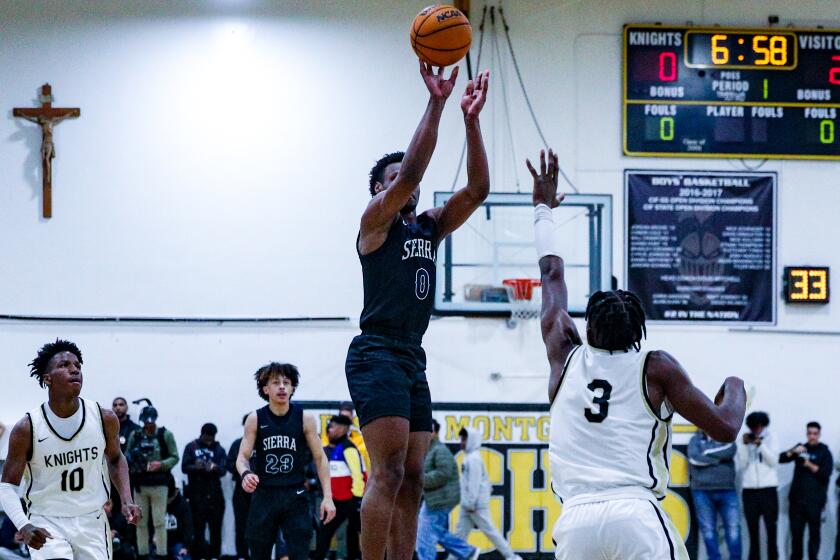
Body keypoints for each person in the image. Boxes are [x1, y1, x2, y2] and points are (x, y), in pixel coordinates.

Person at [528, 150, 747, 560]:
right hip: (636, 515)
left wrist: (543, 208)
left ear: (587, 329)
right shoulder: (655, 366)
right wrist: (735, 386)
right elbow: (725, 427)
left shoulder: (563, 352)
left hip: (574, 522)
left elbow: (551, 274)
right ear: (639, 333)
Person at [345, 61, 490, 560]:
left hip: (412, 356)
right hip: (376, 352)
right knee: (385, 473)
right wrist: (438, 101)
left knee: (412, 480)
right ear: (380, 191)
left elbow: (477, 192)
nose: (404, 185)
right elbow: (411, 172)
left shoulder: (428, 226)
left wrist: (471, 124)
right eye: (391, 180)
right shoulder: (375, 224)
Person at [0, 339, 141, 559]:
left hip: (91, 519)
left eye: (77, 365)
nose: (74, 369)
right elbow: (7, 486)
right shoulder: (27, 428)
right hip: (47, 520)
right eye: (64, 365)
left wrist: (127, 499)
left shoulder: (104, 418)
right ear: (47, 379)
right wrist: (23, 525)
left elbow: (115, 459)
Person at [236, 362, 336, 560]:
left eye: (286, 382)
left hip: (295, 494)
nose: (282, 386)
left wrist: (328, 497)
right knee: (258, 553)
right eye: (275, 382)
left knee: (300, 553)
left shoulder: (304, 418)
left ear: (292, 388)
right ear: (265, 389)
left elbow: (320, 458)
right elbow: (242, 458)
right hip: (264, 494)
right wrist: (246, 474)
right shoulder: (255, 418)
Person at [454, 428, 521, 560]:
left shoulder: (473, 459)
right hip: (468, 504)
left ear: (471, 440)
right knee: (459, 536)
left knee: (491, 532)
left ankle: (512, 557)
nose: (462, 442)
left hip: (475, 505)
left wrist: (471, 503)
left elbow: (474, 483)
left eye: (464, 439)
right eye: (461, 439)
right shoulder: (470, 457)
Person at [416, 420, 477, 560]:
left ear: (436, 432)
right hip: (435, 498)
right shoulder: (429, 449)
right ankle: (467, 551)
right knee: (432, 530)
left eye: (430, 430)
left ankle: (465, 551)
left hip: (441, 498)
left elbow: (443, 473)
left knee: (425, 533)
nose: (426, 434)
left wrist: (420, 480)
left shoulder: (439, 449)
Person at [126, 401, 179, 559]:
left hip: (159, 484)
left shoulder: (165, 435)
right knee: (140, 522)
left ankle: (161, 554)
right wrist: (134, 458)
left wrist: (161, 464)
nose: (149, 423)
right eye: (146, 420)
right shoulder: (135, 435)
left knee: (159, 522)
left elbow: (175, 457)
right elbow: (126, 456)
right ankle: (143, 553)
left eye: (151, 419)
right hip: (140, 484)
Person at [313, 415, 365, 560]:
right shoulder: (338, 448)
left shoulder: (348, 448)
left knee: (353, 532)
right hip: (338, 500)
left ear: (343, 429)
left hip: (350, 501)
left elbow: (358, 475)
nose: (329, 429)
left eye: (333, 427)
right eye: (329, 426)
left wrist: (357, 500)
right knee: (329, 532)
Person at [780, 422, 833, 560]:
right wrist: (794, 451)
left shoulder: (825, 452)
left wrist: (808, 464)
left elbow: (825, 474)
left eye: (815, 433)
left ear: (819, 434)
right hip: (797, 502)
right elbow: (781, 458)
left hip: (815, 503)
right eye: (809, 433)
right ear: (806, 433)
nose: (812, 436)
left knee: (814, 536)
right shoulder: (800, 448)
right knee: (796, 537)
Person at [688, 430, 741, 560]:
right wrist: (719, 458)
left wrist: (705, 454)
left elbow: (730, 450)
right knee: (708, 530)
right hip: (701, 491)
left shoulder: (727, 437)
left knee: (733, 528)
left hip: (727, 489)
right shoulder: (695, 440)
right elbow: (694, 458)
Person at [182, 422, 226, 560]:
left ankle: (214, 556)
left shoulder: (219, 449)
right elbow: (184, 467)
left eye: (211, 437)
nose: (208, 439)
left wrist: (214, 467)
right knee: (198, 529)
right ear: (201, 434)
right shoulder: (191, 447)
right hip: (196, 495)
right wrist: (197, 467)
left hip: (215, 496)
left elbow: (224, 470)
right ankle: (199, 556)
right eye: (206, 436)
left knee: (215, 529)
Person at [738, 411, 778, 560]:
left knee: (771, 530)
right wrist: (743, 445)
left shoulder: (771, 437)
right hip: (749, 490)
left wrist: (761, 445)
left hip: (768, 489)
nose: (756, 431)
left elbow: (773, 461)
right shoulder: (745, 439)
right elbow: (742, 464)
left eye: (759, 427)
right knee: (752, 531)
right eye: (753, 428)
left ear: (764, 425)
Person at [227, 414, 251, 560]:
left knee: (261, 526)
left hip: (262, 491)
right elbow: (229, 465)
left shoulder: (263, 443)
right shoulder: (237, 444)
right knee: (241, 525)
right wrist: (244, 470)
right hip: (242, 490)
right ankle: (242, 555)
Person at [166, 479, 194, 560]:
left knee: (184, 556)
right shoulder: (156, 502)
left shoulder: (183, 505)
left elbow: (188, 527)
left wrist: (186, 546)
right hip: (159, 540)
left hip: (177, 542)